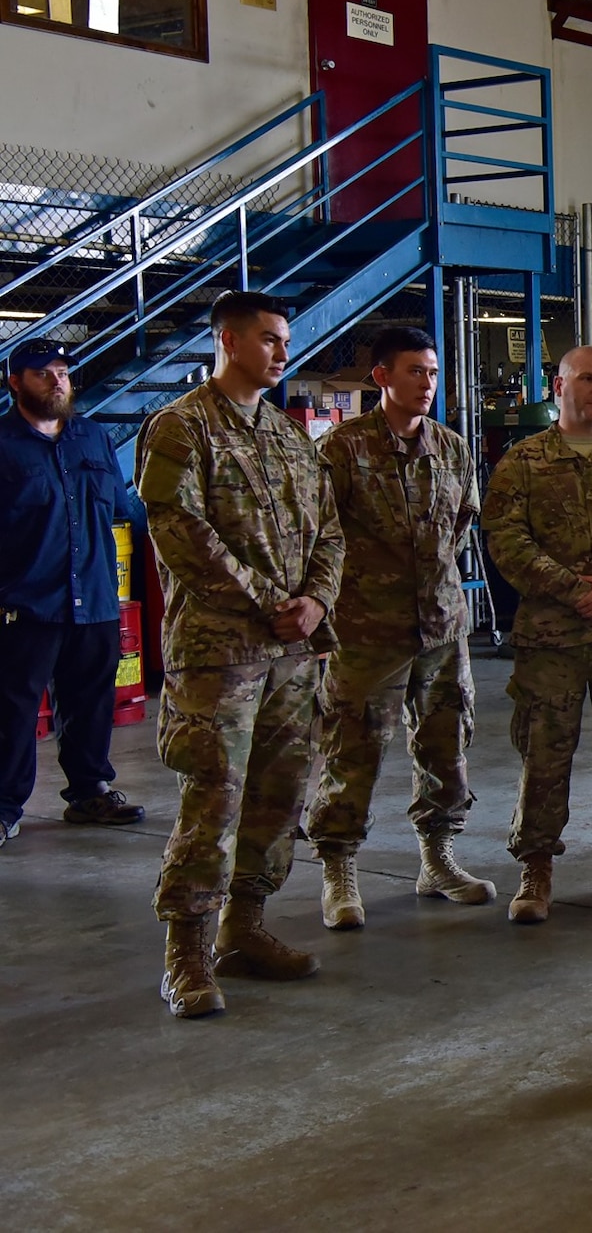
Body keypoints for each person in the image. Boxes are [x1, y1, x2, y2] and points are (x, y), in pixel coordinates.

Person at [137, 291, 344, 1017]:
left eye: (285, 340)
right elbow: (182, 532)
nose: (283, 352)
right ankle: (186, 954)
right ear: (228, 340)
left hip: (290, 653)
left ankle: (245, 928)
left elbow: (332, 534)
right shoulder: (180, 429)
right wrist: (269, 602)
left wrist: (315, 601)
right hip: (219, 654)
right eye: (268, 339)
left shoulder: (290, 439)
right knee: (214, 797)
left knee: (281, 793)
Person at [303, 327, 487, 929]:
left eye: (433, 373)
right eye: (414, 371)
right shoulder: (340, 451)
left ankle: (438, 857)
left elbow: (462, 522)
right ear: (381, 376)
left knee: (445, 746)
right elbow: (319, 536)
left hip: (440, 627)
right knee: (352, 749)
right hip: (366, 631)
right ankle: (338, 869)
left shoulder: (452, 448)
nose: (427, 384)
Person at [483, 344, 592, 924]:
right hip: (551, 637)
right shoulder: (522, 463)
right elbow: (506, 542)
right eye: (586, 379)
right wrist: (574, 588)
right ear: (558, 388)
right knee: (545, 751)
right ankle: (536, 866)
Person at [0, 339, 148, 847]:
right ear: (15, 382)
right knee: (13, 711)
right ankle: (4, 807)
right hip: (26, 603)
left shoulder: (93, 438)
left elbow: (116, 510)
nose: (57, 381)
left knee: (90, 700)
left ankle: (90, 791)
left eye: (63, 371)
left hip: (95, 597)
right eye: (43, 373)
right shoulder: (2, 445)